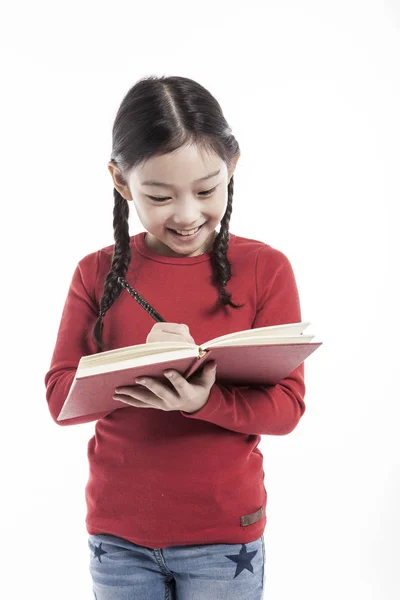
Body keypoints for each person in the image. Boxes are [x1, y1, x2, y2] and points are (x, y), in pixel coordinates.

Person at [44, 75, 306, 600]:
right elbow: (60, 400)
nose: (187, 215)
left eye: (207, 190)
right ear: (121, 182)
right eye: (159, 196)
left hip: (223, 538)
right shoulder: (95, 274)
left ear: (232, 165)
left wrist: (203, 401)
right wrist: (141, 360)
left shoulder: (265, 269)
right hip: (118, 538)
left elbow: (287, 408)